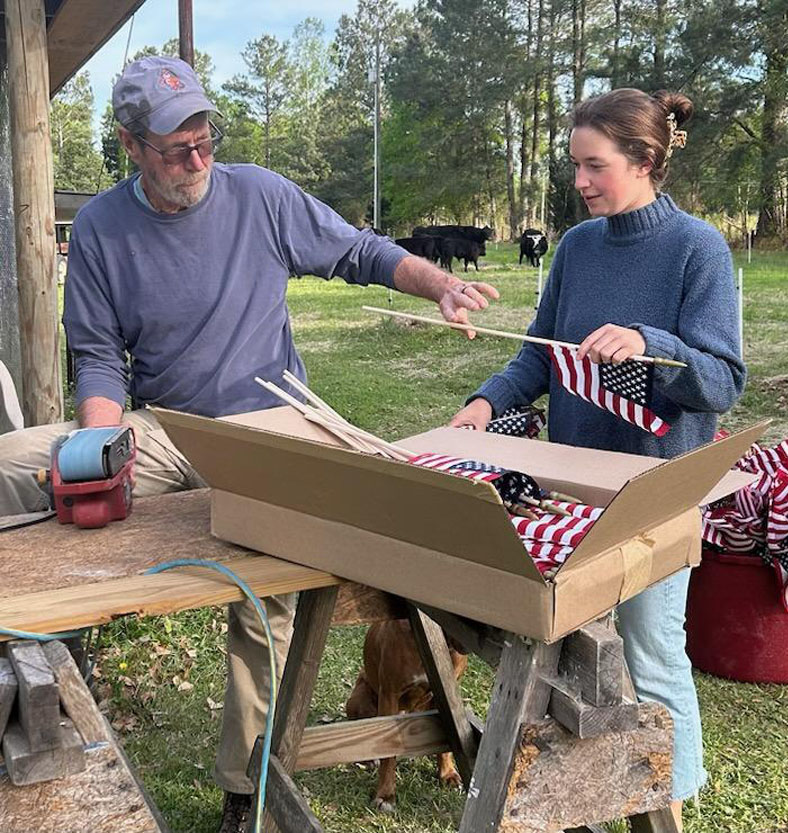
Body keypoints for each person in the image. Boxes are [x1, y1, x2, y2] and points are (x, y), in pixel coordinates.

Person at [0, 56, 498, 833]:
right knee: (14, 465)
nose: (197, 158)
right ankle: (25, 664)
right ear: (131, 147)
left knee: (265, 590)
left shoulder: (260, 194)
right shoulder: (99, 227)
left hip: (275, 421)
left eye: (204, 138)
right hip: (169, 425)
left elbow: (358, 251)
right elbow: (97, 354)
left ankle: (247, 783)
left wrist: (437, 284)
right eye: (175, 148)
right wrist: (99, 441)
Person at [450, 88, 746, 830]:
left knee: (650, 647)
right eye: (575, 165)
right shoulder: (577, 249)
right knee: (568, 642)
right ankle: (575, 792)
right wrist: (484, 406)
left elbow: (723, 381)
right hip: (570, 488)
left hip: (654, 494)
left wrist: (654, 342)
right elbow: (537, 357)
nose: (579, 181)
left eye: (594, 165)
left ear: (645, 161)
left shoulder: (697, 249)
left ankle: (669, 796)